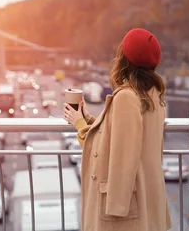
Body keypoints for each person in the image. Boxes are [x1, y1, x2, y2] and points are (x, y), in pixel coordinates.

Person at [63, 28, 171, 231]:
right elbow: (120, 137)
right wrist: (88, 119)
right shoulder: (153, 94)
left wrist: (79, 124)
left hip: (125, 211)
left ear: (124, 58)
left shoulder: (126, 97)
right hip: (146, 197)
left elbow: (111, 153)